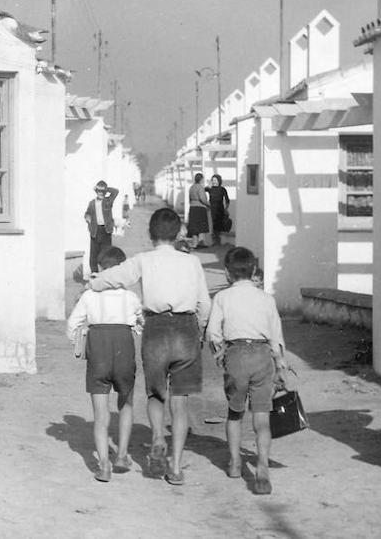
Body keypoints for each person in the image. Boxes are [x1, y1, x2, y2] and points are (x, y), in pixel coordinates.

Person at [89, 208, 211, 485]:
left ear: (150, 233)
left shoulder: (143, 260)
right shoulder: (192, 262)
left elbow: (116, 276)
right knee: (180, 401)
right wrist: (201, 330)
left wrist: (93, 282)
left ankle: (157, 436)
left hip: (156, 329)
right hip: (185, 327)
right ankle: (176, 467)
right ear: (178, 233)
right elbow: (204, 303)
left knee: (156, 394)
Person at [206, 247, 287, 495]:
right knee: (262, 418)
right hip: (262, 355)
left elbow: (213, 332)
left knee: (235, 413)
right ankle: (262, 467)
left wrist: (219, 350)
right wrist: (280, 364)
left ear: (227, 273)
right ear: (253, 271)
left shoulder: (222, 297)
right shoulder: (267, 299)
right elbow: (276, 336)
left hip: (236, 354)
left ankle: (234, 463)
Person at [66, 246, 142, 482]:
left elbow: (72, 325)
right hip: (123, 346)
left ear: (99, 268)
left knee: (100, 413)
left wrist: (78, 341)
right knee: (126, 403)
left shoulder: (89, 296)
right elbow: (141, 323)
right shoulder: (130, 297)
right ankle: (122, 455)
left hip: (98, 348)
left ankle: (104, 466)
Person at [84, 180, 119, 276]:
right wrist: (87, 218)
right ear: (96, 191)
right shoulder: (91, 203)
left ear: (105, 192)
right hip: (95, 231)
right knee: (94, 254)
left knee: (106, 252)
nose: (100, 193)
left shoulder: (108, 200)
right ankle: (94, 274)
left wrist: (105, 189)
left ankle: (106, 274)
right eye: (98, 191)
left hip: (106, 230)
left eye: (102, 191)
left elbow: (116, 191)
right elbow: (87, 213)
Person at [186, 173, 211, 248]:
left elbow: (189, 199)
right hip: (200, 208)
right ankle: (201, 241)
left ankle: (194, 243)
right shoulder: (200, 187)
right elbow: (202, 199)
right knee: (201, 226)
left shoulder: (192, 187)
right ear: (201, 179)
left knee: (194, 226)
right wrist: (209, 205)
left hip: (192, 207)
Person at [206, 174, 231, 246]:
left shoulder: (222, 189)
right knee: (213, 224)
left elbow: (227, 200)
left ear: (219, 181)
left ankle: (218, 240)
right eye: (213, 180)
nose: (214, 182)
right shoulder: (210, 189)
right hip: (212, 209)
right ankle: (214, 240)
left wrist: (226, 209)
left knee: (219, 224)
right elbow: (203, 189)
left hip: (220, 209)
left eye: (215, 180)